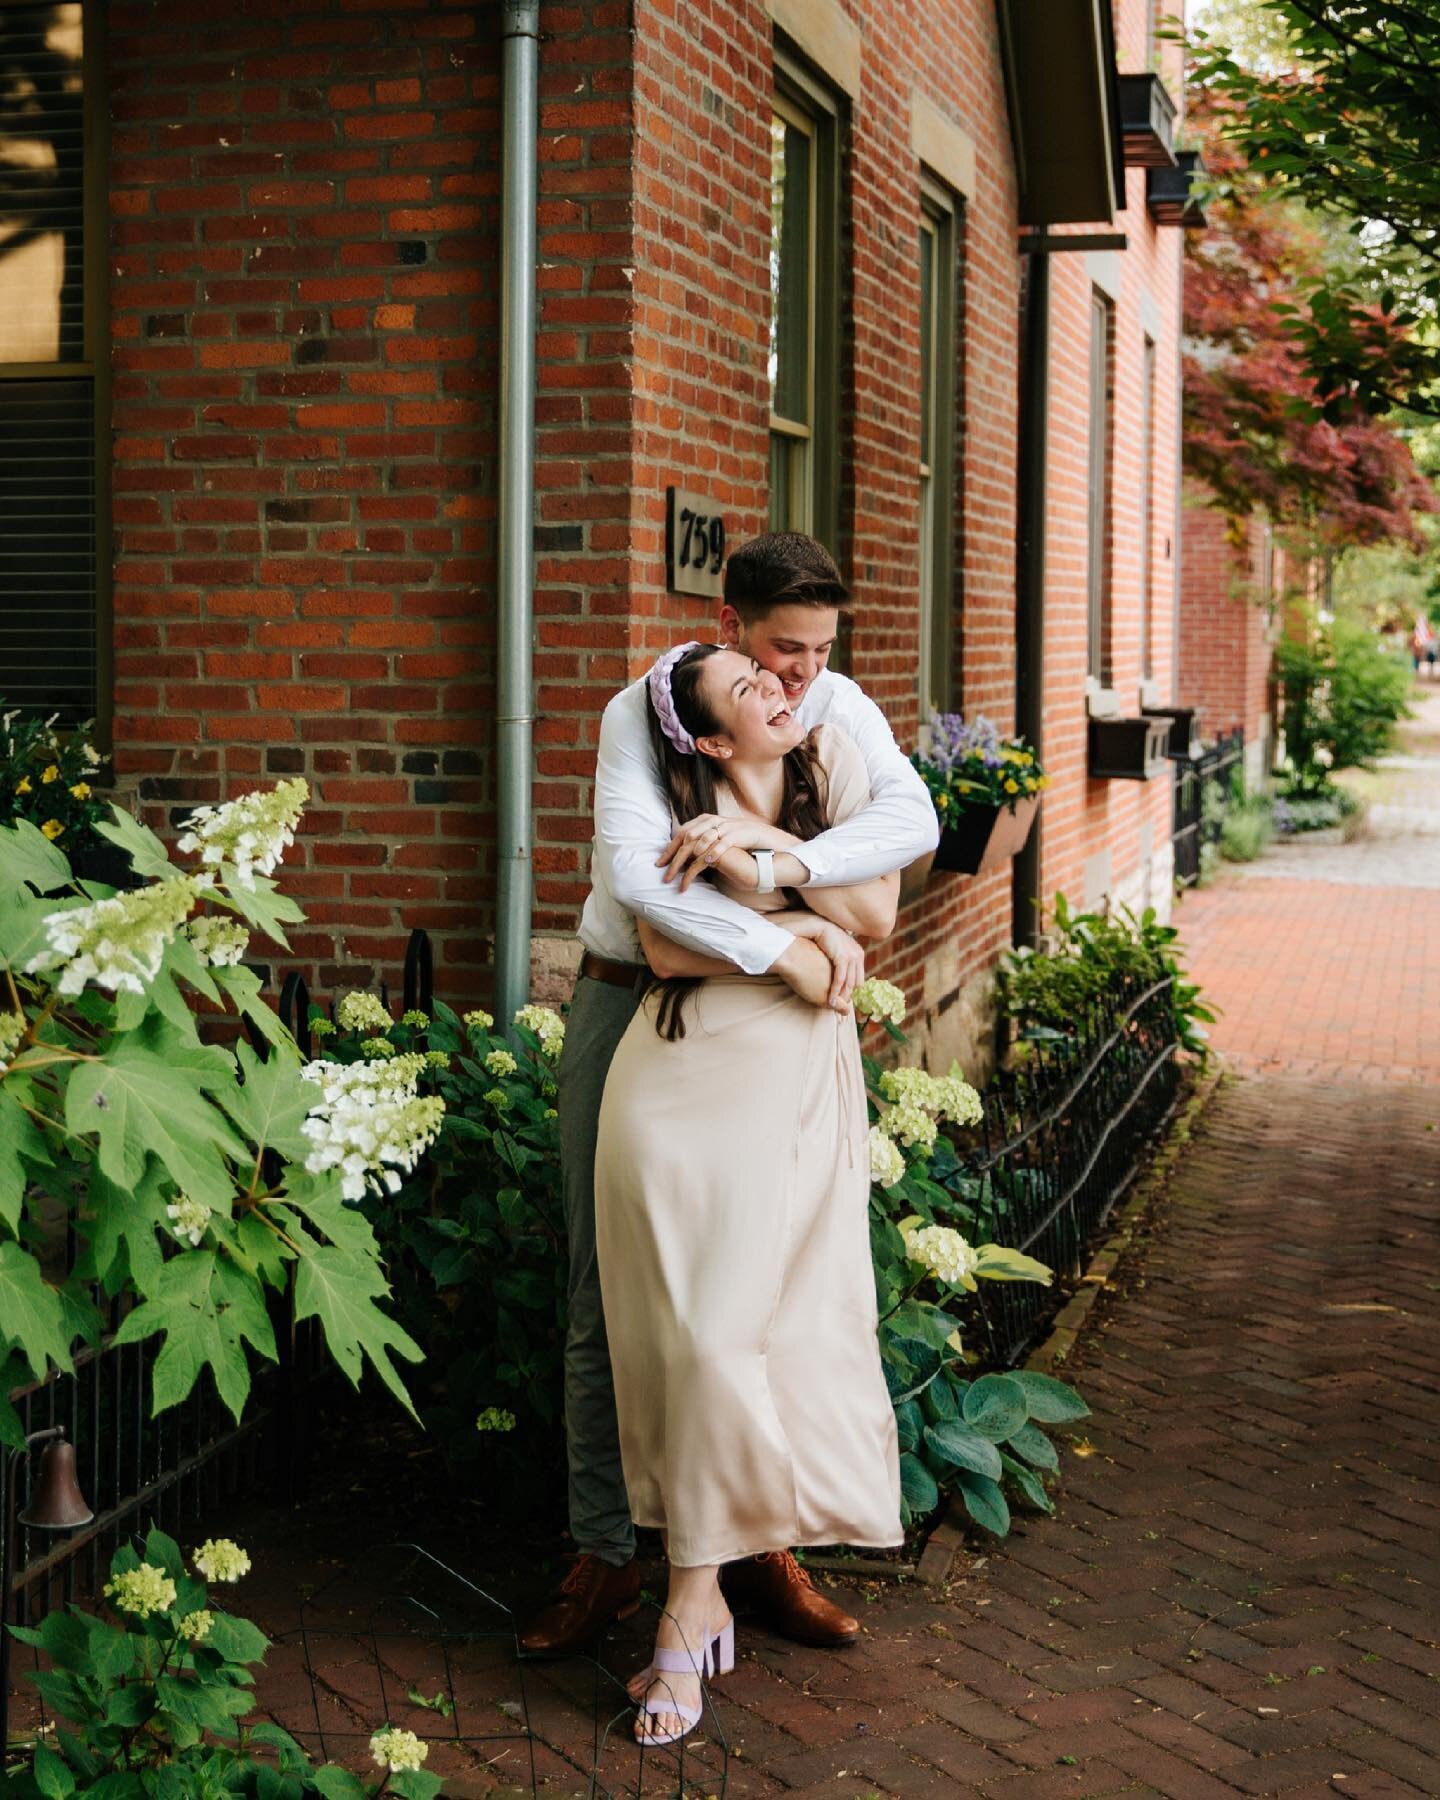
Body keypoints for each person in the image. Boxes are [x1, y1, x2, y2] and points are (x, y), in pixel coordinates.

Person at [519, 533, 937, 1659]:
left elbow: (907, 829)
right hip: (629, 1008)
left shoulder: (834, 703)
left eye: (818, 651)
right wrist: (792, 946)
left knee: (760, 1294)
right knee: (604, 1293)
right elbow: (644, 895)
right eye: (782, 650)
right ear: (728, 619)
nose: (803, 675)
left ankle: (754, 1549)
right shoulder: (640, 715)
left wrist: (780, 869)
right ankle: (606, 1553)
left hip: (767, 1034)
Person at [596, 641, 904, 1744]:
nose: (781, 684)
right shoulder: (682, 813)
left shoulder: (830, 775)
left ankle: (693, 1604)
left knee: (742, 1340)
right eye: (748, 686)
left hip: (788, 1093)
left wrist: (778, 860)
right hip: (675, 1082)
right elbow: (665, 953)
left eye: (775, 674)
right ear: (714, 740)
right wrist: (800, 936)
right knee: (683, 1343)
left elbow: (871, 919)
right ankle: (696, 1592)